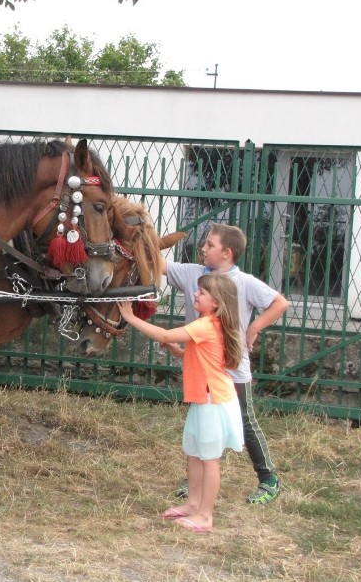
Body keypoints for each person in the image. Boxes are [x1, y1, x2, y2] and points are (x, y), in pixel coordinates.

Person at [165, 223, 290, 504]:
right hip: (203, 372)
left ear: (227, 252)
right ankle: (196, 484)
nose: (203, 248)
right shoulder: (192, 273)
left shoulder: (243, 281)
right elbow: (156, 264)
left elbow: (279, 303)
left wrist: (255, 326)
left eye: (210, 245)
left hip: (233, 370)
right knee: (201, 427)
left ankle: (269, 479)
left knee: (245, 423)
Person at [118, 274, 244, 533]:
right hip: (204, 398)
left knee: (209, 459)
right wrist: (180, 352)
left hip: (213, 400)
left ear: (217, 302)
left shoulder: (207, 325)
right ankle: (194, 504)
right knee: (194, 452)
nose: (196, 294)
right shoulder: (209, 323)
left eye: (202, 292)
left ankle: (205, 516)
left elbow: (164, 333)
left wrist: (131, 318)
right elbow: (207, 355)